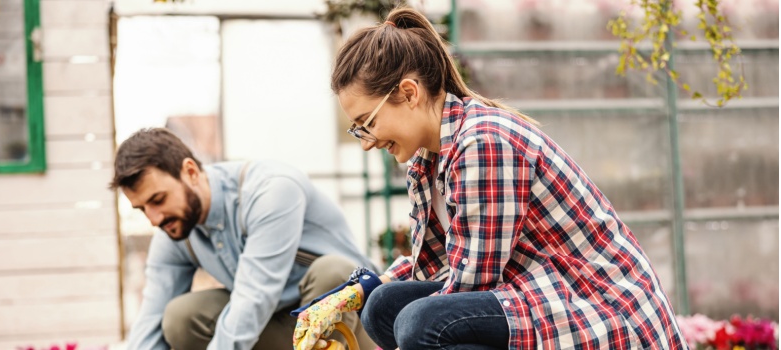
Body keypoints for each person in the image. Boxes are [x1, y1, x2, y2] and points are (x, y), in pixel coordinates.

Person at [293, 7, 688, 350]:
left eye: (368, 123)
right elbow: (436, 268)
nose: (367, 141)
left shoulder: (482, 141)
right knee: (383, 307)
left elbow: (471, 283)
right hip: (534, 296)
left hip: (596, 308)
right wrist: (367, 287)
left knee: (418, 324)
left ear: (409, 93)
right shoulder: (427, 163)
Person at [111, 128, 377, 350]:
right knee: (180, 317)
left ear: (190, 172)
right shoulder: (175, 231)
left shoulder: (271, 190)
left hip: (352, 324)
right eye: (142, 208)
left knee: (331, 272)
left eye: (158, 200)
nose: (154, 218)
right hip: (280, 328)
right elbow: (151, 320)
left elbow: (255, 297)